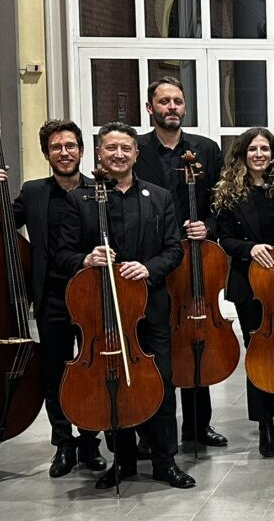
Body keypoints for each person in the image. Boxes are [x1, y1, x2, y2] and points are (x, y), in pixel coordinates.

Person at [54, 122, 194, 489]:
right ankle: (125, 462)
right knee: (112, 383)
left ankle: (165, 461)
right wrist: (87, 259)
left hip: (150, 309)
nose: (118, 154)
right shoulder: (80, 200)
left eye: (125, 148)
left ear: (136, 154)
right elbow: (62, 255)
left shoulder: (160, 197)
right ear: (99, 153)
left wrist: (148, 268)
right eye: (110, 148)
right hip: (103, 316)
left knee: (161, 382)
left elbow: (174, 250)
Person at [0, 120, 106, 478]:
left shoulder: (99, 191)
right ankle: (64, 443)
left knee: (90, 369)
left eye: (70, 146)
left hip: (92, 296)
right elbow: (1, 220)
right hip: (51, 296)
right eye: (56, 147)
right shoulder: (34, 192)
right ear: (46, 154)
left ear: (81, 150)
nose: (64, 153)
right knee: (55, 373)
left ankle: (90, 443)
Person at [132, 77, 229, 448]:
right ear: (150, 108)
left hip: (194, 257)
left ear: (184, 107)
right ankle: (152, 430)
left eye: (177, 101)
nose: (171, 107)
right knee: (154, 345)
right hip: (153, 258)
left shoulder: (206, 149)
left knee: (196, 336)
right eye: (164, 102)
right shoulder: (137, 149)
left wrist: (210, 227)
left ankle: (197, 426)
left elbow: (222, 203)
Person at [212, 128, 274, 458]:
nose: (260, 154)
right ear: (243, 153)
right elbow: (222, 238)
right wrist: (250, 249)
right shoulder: (229, 193)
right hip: (248, 284)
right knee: (259, 354)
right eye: (253, 149)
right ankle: (265, 423)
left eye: (265, 148)